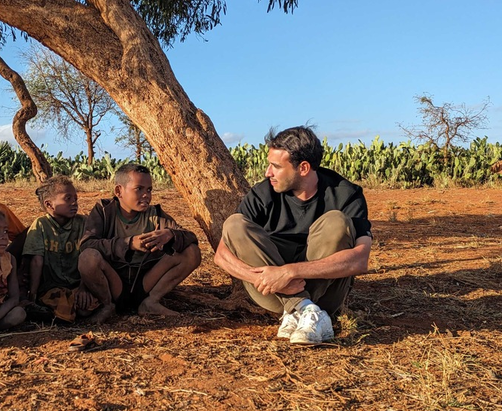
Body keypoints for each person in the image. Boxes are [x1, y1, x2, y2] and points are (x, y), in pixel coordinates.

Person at [214, 126, 372, 346]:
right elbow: (220, 255)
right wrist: (266, 279)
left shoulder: (346, 194)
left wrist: (289, 273)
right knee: (234, 224)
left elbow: (360, 259)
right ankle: (304, 309)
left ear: (304, 168)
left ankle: (304, 310)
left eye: (276, 166)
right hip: (273, 292)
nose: (268, 172)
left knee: (336, 221)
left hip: (325, 292)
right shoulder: (263, 193)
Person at [79, 163, 201, 323]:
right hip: (114, 284)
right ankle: (107, 305)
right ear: (119, 191)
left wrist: (170, 234)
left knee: (192, 252)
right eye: (139, 189)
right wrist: (128, 243)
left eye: (149, 190)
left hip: (145, 283)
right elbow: (87, 245)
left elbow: (189, 236)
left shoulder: (155, 214)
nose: (146, 195)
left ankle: (151, 302)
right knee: (88, 257)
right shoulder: (104, 211)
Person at [23, 175, 96, 322]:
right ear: (49, 204)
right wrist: (33, 295)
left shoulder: (83, 223)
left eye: (75, 198)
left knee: (85, 307)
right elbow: (36, 261)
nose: (74, 203)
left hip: (79, 284)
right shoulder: (41, 225)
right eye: (67, 199)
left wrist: (84, 287)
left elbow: (89, 257)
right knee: (60, 305)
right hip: (52, 287)